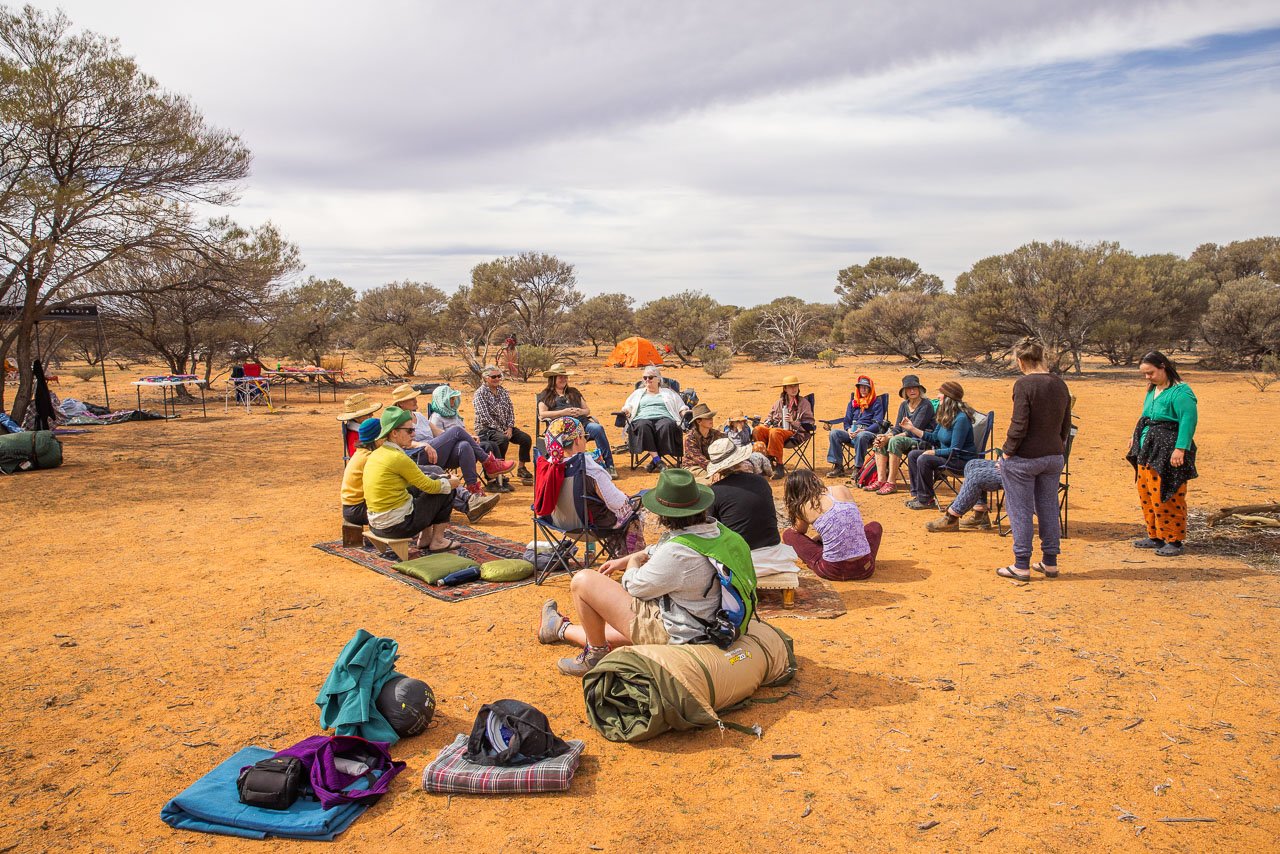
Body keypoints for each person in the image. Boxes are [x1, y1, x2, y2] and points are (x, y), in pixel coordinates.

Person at [537, 468, 751, 677]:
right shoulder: (722, 534)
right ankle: (558, 628)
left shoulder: (677, 553)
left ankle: (595, 654)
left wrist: (633, 561)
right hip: (711, 622)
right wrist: (624, 559)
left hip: (682, 632)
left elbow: (633, 586)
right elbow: (671, 548)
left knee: (583, 580)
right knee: (609, 628)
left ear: (664, 516)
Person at [990, 338, 1073, 580]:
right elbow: (1065, 424)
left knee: (1020, 510)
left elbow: (1019, 424)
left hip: (1024, 459)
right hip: (1054, 455)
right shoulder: (1060, 384)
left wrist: (1006, 452)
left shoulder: (1024, 384)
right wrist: (1057, 446)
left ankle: (1021, 564)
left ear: (1021, 361)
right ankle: (1050, 562)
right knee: (1048, 507)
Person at [1126, 350, 1198, 558]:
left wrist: (1180, 448)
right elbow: (1145, 415)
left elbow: (1188, 420)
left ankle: (1174, 540)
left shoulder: (1181, 392)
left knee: (1168, 493)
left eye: (1150, 373)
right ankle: (1155, 534)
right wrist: (1134, 435)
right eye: (1145, 374)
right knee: (1147, 492)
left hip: (1169, 449)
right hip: (1148, 448)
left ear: (1163, 367)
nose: (1147, 377)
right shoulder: (1153, 389)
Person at [363, 406, 463, 552]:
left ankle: (426, 538)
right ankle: (438, 541)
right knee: (447, 489)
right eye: (409, 430)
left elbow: (418, 483)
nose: (414, 434)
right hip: (396, 527)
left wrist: (439, 479)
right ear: (394, 433)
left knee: (436, 481)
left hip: (377, 525)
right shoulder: (398, 458)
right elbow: (429, 487)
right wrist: (451, 483)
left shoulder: (377, 454)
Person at [537, 416, 641, 557]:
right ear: (577, 439)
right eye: (584, 436)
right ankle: (629, 559)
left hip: (557, 523)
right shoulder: (587, 466)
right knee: (633, 509)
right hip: (589, 527)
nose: (586, 440)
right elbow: (616, 503)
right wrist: (629, 500)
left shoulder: (548, 465)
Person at [390, 384, 515, 499]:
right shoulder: (398, 420)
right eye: (411, 398)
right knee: (456, 430)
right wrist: (422, 444)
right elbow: (400, 443)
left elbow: (440, 433)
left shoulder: (419, 416)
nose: (415, 400)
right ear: (401, 404)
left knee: (464, 445)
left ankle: (473, 490)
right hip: (418, 455)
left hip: (436, 453)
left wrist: (467, 436)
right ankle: (488, 462)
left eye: (415, 397)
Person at [706, 438, 798, 577]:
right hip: (773, 552)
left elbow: (710, 528)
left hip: (740, 558)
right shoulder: (761, 482)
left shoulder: (715, 492)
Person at [781, 469, 882, 581]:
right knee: (875, 526)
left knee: (789, 534)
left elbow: (799, 531)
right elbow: (845, 524)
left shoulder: (804, 506)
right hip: (865, 568)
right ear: (815, 479)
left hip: (834, 570)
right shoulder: (842, 489)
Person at [898, 381, 977, 510]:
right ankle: (919, 495)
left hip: (960, 461)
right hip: (947, 457)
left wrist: (934, 452)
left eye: (941, 393)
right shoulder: (945, 415)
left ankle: (926, 500)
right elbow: (934, 438)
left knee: (925, 458)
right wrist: (912, 428)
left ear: (949, 397)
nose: (938, 396)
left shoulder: (961, 419)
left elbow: (955, 450)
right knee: (913, 455)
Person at [537, 363, 617, 477]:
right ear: (553, 379)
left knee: (597, 428)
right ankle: (563, 467)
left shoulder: (573, 392)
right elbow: (543, 414)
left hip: (582, 425)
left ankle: (610, 465)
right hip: (561, 429)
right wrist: (563, 412)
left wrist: (580, 411)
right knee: (568, 435)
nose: (564, 379)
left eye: (565, 377)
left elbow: (587, 410)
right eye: (560, 377)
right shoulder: (546, 395)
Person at [867, 375, 936, 494]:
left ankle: (891, 483)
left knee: (894, 441)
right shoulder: (904, 405)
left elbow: (913, 430)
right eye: (909, 389)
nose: (912, 391)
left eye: (915, 388)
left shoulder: (926, 405)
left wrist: (889, 438)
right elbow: (898, 428)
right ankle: (881, 480)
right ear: (905, 391)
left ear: (920, 390)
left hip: (920, 440)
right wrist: (886, 436)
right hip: (905, 438)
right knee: (879, 440)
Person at [619, 365, 689, 472]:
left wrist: (685, 412)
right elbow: (628, 406)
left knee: (667, 425)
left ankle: (655, 461)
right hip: (642, 418)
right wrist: (626, 411)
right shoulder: (637, 393)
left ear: (658, 379)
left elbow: (681, 406)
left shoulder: (669, 393)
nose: (647, 380)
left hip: (664, 417)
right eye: (645, 377)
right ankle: (658, 460)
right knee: (643, 426)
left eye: (650, 377)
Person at [472, 365, 533, 485]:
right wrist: (501, 430)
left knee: (525, 439)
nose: (497, 379)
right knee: (502, 439)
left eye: (499, 376)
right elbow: (485, 417)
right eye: (493, 376)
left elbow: (510, 411)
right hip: (486, 429)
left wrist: (510, 428)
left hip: (506, 427)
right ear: (485, 378)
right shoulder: (480, 394)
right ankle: (499, 470)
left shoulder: (503, 391)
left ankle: (521, 468)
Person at [753, 376, 815, 480]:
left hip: (794, 433)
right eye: (790, 387)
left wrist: (793, 421)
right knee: (758, 430)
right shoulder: (778, 403)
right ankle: (765, 460)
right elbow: (770, 418)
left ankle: (779, 465)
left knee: (775, 431)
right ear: (785, 389)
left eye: (796, 386)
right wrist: (767, 424)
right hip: (776, 433)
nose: (794, 389)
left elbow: (809, 423)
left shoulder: (804, 403)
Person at [825, 375, 886, 478]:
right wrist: (848, 430)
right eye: (861, 387)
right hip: (852, 432)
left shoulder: (876, 403)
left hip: (868, 432)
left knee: (861, 435)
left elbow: (878, 423)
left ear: (870, 389)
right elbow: (847, 420)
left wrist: (864, 429)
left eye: (866, 387)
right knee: (834, 433)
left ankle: (858, 468)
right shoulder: (853, 403)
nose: (863, 389)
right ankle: (838, 467)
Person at [925, 457, 1002, 532]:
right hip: (1009, 462)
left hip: (1012, 471)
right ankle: (980, 516)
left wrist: (1007, 459)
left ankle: (951, 519)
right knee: (972, 464)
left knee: (975, 476)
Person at [340, 417, 383, 527]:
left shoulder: (362, 452)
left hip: (351, 506)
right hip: (357, 509)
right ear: (377, 439)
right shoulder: (369, 457)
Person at [683, 402, 723, 478]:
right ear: (698, 421)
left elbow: (727, 443)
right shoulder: (690, 438)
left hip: (710, 465)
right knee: (715, 478)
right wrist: (715, 470)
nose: (711, 419)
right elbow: (700, 459)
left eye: (711, 417)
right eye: (707, 418)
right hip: (693, 467)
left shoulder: (715, 434)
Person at [336, 393, 381, 459]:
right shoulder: (354, 435)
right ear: (356, 418)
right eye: (367, 414)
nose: (372, 415)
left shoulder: (359, 430)